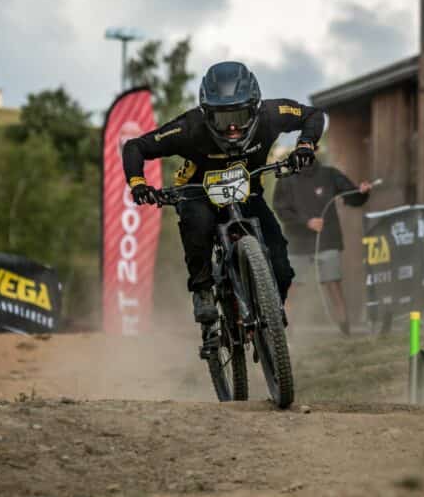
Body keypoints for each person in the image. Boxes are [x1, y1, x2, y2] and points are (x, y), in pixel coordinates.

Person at [122, 61, 324, 324]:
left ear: (255, 109)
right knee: (199, 224)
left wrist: (305, 145)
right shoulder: (189, 127)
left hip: (247, 193)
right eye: (222, 119)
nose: (231, 128)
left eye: (238, 118)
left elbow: (313, 114)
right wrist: (138, 183)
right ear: (206, 114)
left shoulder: (272, 115)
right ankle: (203, 290)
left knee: (281, 264)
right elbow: (135, 147)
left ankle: (272, 312)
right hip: (198, 194)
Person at [272, 155, 372, 336]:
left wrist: (362, 192)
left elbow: (353, 197)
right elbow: (280, 209)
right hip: (297, 243)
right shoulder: (286, 180)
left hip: (327, 241)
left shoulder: (330, 174)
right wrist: (306, 222)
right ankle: (286, 334)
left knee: (334, 285)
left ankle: (345, 332)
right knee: (290, 288)